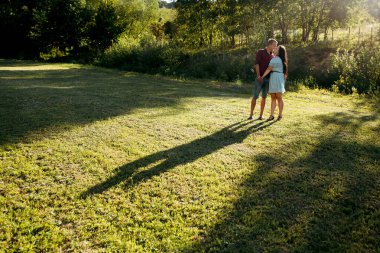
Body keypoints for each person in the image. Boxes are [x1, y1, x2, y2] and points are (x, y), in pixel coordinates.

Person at [248, 38, 278, 120]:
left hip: (268, 79)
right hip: (259, 78)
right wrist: (258, 76)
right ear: (270, 44)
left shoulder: (273, 56)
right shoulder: (260, 52)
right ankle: (251, 115)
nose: (275, 47)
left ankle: (261, 115)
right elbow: (257, 64)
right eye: (274, 45)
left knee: (264, 97)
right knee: (255, 96)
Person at [260, 45, 288, 120]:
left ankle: (274, 115)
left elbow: (269, 69)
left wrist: (262, 76)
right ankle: (277, 115)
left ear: (279, 52)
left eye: (277, 48)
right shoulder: (282, 60)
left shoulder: (275, 59)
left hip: (276, 78)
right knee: (278, 98)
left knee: (275, 98)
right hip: (277, 78)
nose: (275, 48)